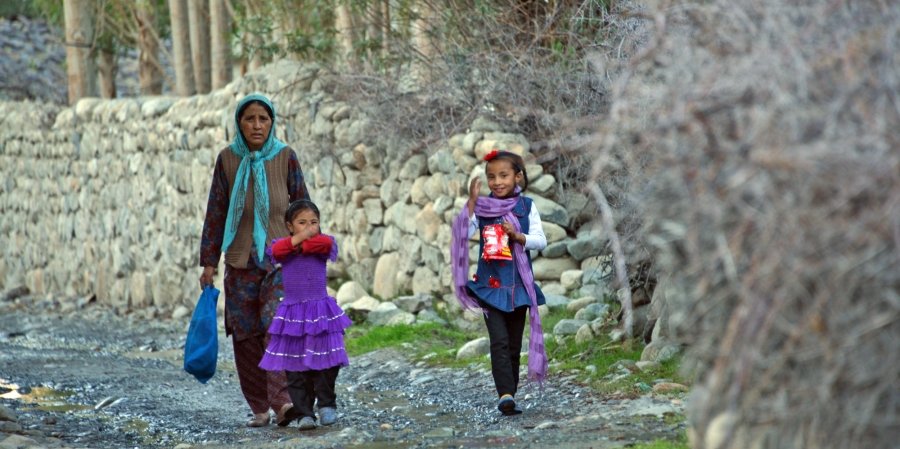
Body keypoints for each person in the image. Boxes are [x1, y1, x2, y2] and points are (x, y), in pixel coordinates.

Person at [198, 93, 310, 427]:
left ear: (272, 122)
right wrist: (209, 262)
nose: (257, 125)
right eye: (250, 119)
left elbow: (303, 207)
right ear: (239, 123)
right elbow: (216, 213)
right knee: (244, 333)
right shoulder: (228, 160)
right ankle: (260, 407)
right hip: (239, 259)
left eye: (264, 119)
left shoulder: (286, 157)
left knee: (276, 325)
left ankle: (284, 402)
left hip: (280, 259)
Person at [450, 149, 549, 416]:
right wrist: (470, 204)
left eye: (503, 175)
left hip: (518, 289)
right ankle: (504, 394)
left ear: (517, 177)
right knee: (499, 342)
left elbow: (541, 240)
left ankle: (511, 393)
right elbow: (462, 231)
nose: (497, 182)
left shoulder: (527, 207)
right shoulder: (482, 208)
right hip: (490, 288)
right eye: (491, 177)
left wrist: (518, 236)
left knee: (514, 344)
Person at [259, 199, 351, 430]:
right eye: (302, 223)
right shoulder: (281, 246)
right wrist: (299, 241)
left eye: (314, 222)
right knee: (295, 367)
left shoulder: (324, 242)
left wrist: (300, 242)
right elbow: (277, 251)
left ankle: (327, 404)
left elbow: (324, 246)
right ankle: (304, 413)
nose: (310, 227)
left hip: (320, 312)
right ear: (289, 226)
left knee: (327, 362)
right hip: (293, 315)